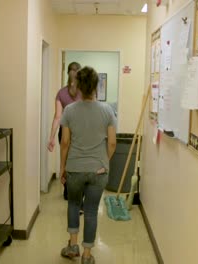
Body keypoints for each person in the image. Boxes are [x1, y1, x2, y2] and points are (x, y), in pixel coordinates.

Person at [59, 66, 117, 264]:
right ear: (96, 86)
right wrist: (103, 162)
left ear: (79, 86)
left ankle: (72, 246)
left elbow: (65, 142)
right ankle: (86, 256)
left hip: (74, 168)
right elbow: (112, 143)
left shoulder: (69, 110)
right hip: (98, 170)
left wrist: (62, 167)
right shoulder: (107, 110)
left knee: (74, 205)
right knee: (91, 211)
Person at [48, 62, 82, 200]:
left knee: (66, 161)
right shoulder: (85, 92)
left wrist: (51, 138)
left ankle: (68, 191)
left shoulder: (61, 93)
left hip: (65, 133)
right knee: (79, 161)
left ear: (67, 73)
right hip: (81, 133)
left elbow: (57, 117)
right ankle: (79, 192)